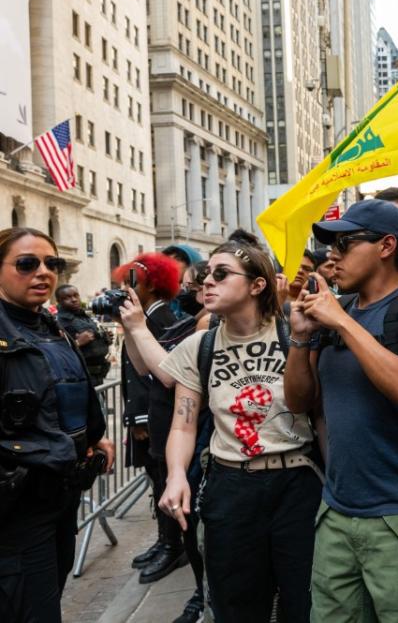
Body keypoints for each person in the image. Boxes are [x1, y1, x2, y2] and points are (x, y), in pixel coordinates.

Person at [284, 199, 398, 622]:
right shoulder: (332, 314)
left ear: (385, 246)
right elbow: (300, 402)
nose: (332, 256)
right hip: (337, 513)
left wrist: (341, 322)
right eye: (330, 247)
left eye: (344, 244)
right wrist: (302, 340)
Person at [158, 241, 319, 622]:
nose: (206, 283)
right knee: (237, 606)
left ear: (257, 285)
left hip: (296, 483)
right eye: (204, 275)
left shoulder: (292, 332)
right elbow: (183, 422)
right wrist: (176, 475)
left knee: (306, 602)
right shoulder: (200, 346)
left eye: (221, 273)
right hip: (230, 487)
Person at [0, 227, 115, 622]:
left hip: (61, 496)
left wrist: (96, 440)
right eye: (26, 263)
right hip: (18, 507)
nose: (43, 272)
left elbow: (72, 397)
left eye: (53, 263)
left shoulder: (54, 329)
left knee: (49, 593)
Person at [119, 261, 209, 623]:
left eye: (193, 286)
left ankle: (204, 595)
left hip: (197, 439)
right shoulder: (190, 322)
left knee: (197, 527)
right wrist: (130, 328)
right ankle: (199, 588)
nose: (186, 294)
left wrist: (139, 326)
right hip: (169, 430)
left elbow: (170, 373)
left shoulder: (206, 325)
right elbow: (143, 367)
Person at [55, 284, 113, 386]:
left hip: (98, 375)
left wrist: (105, 338)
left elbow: (93, 339)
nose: (73, 299)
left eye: (75, 295)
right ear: (59, 301)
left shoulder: (85, 316)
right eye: (67, 298)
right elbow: (56, 353)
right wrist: (78, 343)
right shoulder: (59, 322)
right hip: (79, 377)